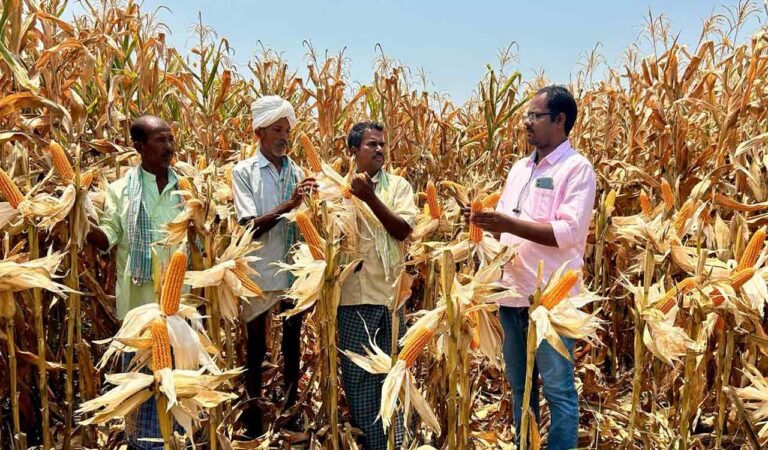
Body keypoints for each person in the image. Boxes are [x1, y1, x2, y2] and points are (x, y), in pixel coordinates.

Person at [469, 85, 596, 450]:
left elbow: (568, 232)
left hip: (551, 302)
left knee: (557, 390)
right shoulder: (520, 169)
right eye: (525, 116)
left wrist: (505, 224)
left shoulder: (576, 169)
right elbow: (510, 222)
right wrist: (483, 224)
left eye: (534, 116)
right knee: (520, 387)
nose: (526, 123)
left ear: (559, 120)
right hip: (512, 295)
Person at [87, 115, 185, 449]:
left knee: (180, 388)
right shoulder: (119, 192)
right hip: (138, 311)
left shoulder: (187, 189)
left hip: (181, 310)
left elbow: (205, 239)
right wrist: (78, 219)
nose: (169, 147)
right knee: (143, 390)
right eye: (160, 140)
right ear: (139, 147)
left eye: (170, 139)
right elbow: (107, 238)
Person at [231, 95, 317, 437]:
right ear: (259, 133)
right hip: (259, 271)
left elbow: (308, 216)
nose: (285, 137)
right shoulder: (244, 172)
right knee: (255, 347)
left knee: (293, 343)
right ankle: (252, 413)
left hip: (294, 272)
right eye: (277, 130)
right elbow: (249, 225)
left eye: (287, 130)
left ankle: (291, 406)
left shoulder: (297, 171)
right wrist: (291, 203)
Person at [338, 121, 419, 450]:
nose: (380, 150)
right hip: (354, 299)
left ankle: (395, 443)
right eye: (372, 145)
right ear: (354, 151)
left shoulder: (397, 187)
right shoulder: (337, 190)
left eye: (383, 145)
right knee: (360, 381)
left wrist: (369, 197)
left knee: (394, 376)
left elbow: (402, 230)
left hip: (391, 298)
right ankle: (372, 444)